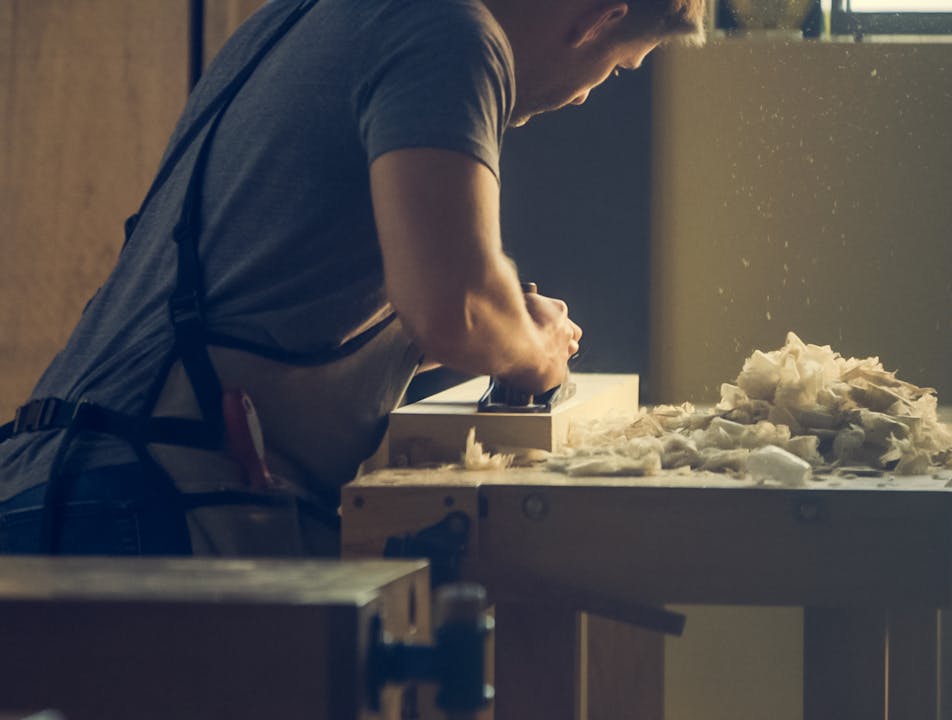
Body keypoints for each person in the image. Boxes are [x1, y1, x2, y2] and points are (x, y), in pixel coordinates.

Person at [0, 0, 704, 556]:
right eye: (617, 68)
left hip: (48, 488)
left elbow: (270, 301)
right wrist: (536, 347)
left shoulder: (304, 16)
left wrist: (474, 321)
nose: (586, 97)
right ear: (599, 17)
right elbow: (457, 310)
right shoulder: (451, 32)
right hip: (137, 512)